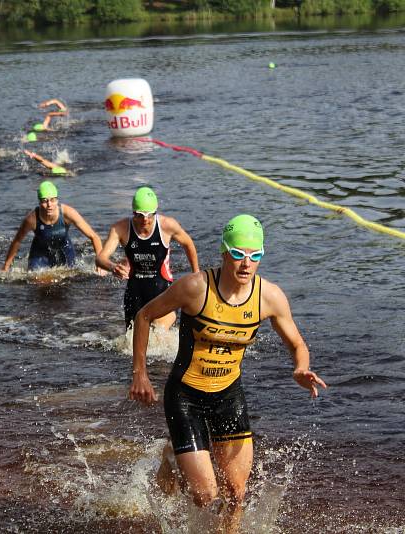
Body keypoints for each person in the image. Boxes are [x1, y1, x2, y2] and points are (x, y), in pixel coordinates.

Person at [130, 214, 328, 534]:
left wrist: (300, 367)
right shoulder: (195, 288)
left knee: (236, 493)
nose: (246, 263)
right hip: (186, 396)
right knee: (206, 495)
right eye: (238, 254)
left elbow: (296, 343)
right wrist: (140, 373)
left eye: (255, 255)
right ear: (224, 253)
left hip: (228, 395)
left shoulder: (269, 297)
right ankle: (172, 455)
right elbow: (144, 316)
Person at [95, 186, 199, 330]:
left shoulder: (167, 225)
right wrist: (113, 267)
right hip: (135, 291)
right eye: (140, 215)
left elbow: (188, 244)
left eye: (149, 215)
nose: (145, 219)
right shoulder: (121, 228)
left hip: (162, 289)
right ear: (133, 212)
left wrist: (196, 273)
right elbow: (100, 258)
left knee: (158, 334)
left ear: (155, 212)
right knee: (131, 341)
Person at [2, 181, 105, 273]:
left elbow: (94, 236)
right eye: (44, 201)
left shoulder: (68, 213)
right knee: (37, 281)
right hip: (39, 253)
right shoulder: (32, 219)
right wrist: (6, 266)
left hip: (64, 250)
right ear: (39, 202)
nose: (49, 204)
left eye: (52, 200)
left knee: (70, 277)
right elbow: (17, 241)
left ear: (57, 200)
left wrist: (101, 263)